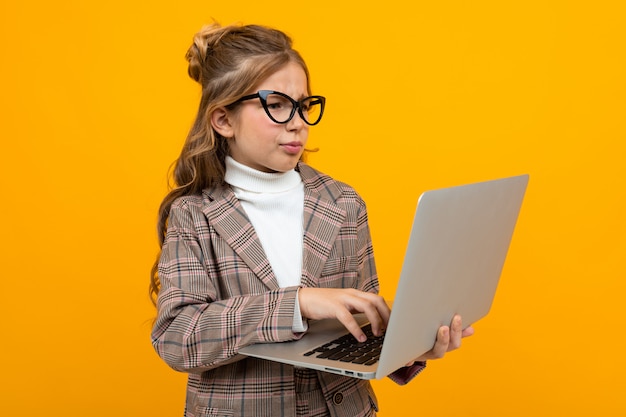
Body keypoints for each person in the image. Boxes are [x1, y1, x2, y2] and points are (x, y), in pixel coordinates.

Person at [150, 22, 474, 417]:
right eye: (277, 104)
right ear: (223, 120)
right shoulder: (194, 215)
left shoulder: (343, 203)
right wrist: (296, 303)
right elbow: (177, 337)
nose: (298, 121)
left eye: (303, 105)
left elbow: (362, 324)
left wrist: (405, 347)